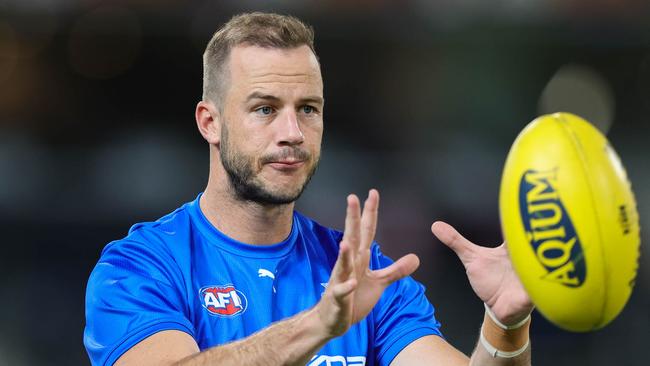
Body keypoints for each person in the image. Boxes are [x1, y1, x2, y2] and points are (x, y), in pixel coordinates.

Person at [84, 12, 534, 366]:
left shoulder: (363, 275)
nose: (293, 132)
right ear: (210, 122)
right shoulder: (140, 267)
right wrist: (319, 325)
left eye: (308, 109)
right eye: (265, 109)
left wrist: (504, 324)